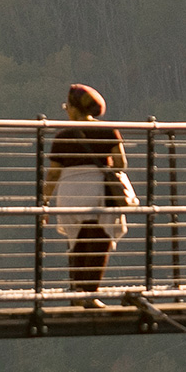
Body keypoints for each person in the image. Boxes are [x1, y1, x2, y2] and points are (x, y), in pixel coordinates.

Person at [40, 83, 127, 301]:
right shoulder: (108, 131)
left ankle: (78, 291)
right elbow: (121, 163)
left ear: (73, 108)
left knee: (76, 241)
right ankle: (90, 294)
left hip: (69, 195)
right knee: (98, 242)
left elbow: (53, 175)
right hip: (97, 193)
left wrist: (44, 202)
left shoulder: (62, 137)